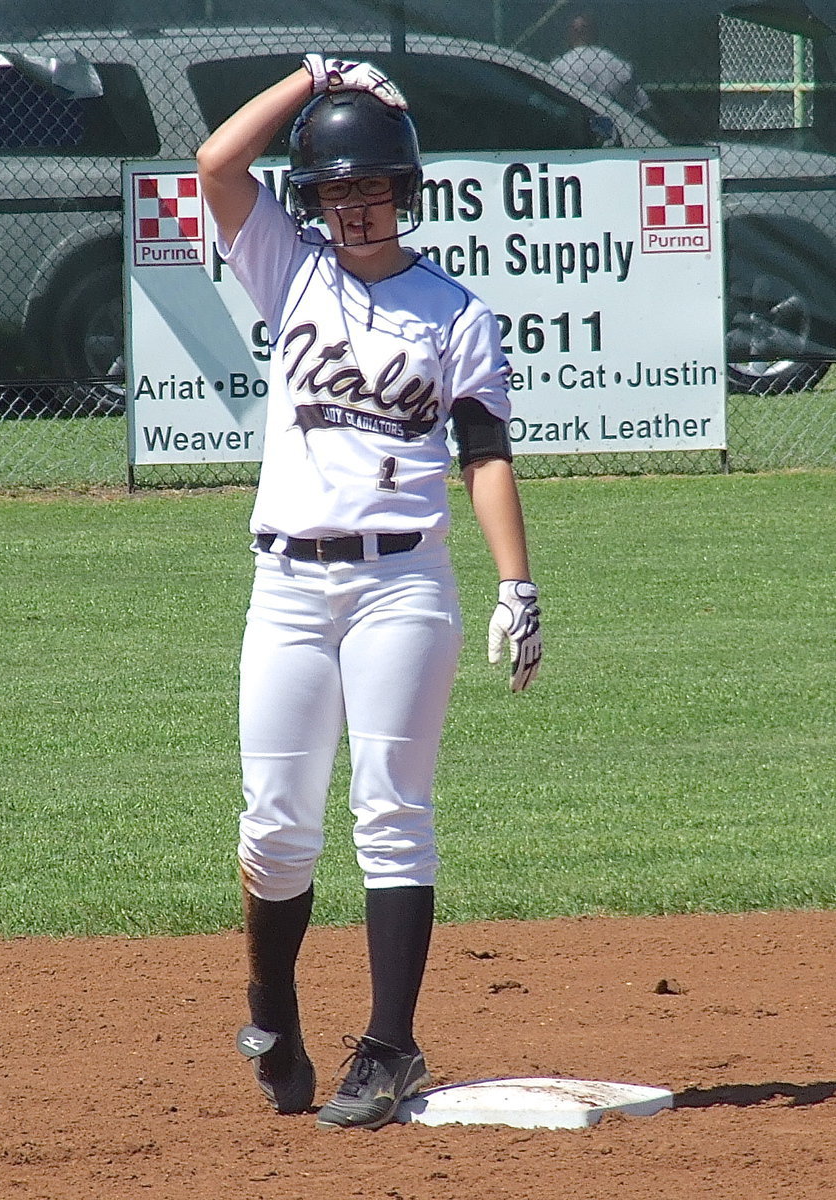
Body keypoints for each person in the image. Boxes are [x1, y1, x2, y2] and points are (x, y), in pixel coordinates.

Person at [195, 55, 541, 1132]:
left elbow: (485, 454)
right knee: (275, 827)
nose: (354, 205)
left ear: (405, 189)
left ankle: (390, 1046)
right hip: (288, 585)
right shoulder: (290, 271)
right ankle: (273, 1006)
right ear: (314, 200)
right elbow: (215, 162)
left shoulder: (455, 312)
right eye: (335, 188)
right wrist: (311, 77)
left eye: (373, 185)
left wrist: (517, 582)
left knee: (393, 814)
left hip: (403, 585)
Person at [551, 13, 650, 115]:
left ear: (571, 34)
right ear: (595, 33)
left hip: (575, 121)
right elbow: (642, 103)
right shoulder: (618, 64)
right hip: (616, 120)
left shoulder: (558, 66)